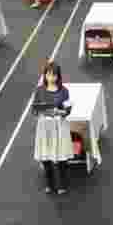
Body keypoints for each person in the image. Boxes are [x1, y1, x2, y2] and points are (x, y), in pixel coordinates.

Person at [33, 61, 73, 194]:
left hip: (59, 126)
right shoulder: (39, 91)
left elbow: (68, 110)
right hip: (44, 127)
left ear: (58, 76)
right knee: (46, 158)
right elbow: (34, 110)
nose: (51, 78)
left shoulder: (64, 91)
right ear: (45, 75)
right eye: (48, 75)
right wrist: (39, 112)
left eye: (54, 75)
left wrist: (60, 112)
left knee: (61, 158)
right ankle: (49, 184)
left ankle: (61, 185)